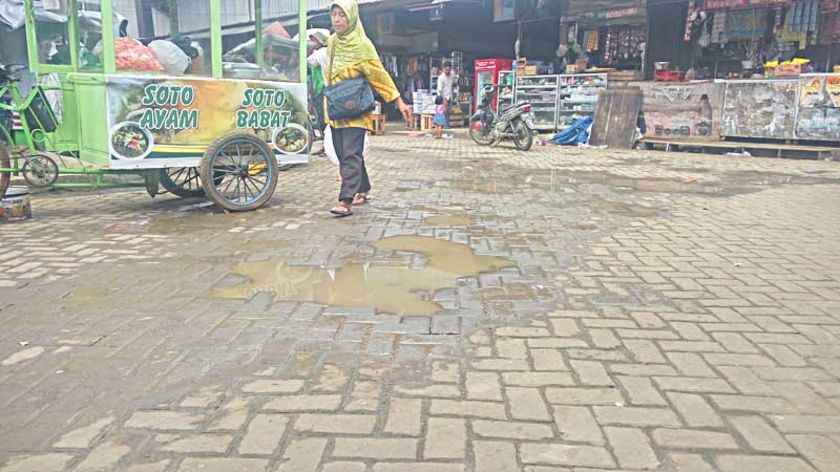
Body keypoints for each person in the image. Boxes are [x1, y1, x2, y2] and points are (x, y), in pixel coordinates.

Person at [325, 0, 412, 217]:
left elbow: (379, 75)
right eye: (334, 14)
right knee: (343, 152)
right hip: (336, 107)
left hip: (355, 108)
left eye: (342, 15)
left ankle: (345, 200)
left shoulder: (363, 45)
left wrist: (398, 101)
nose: (337, 19)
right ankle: (362, 188)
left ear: (352, 17)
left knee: (350, 154)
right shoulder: (332, 42)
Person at [436, 62, 456, 129]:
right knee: (443, 111)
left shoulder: (452, 75)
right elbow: (440, 90)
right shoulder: (441, 78)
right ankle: (442, 126)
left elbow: (453, 83)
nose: (448, 71)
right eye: (446, 70)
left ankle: (447, 125)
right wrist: (444, 99)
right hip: (442, 96)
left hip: (449, 95)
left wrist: (452, 92)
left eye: (449, 70)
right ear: (443, 69)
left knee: (448, 111)